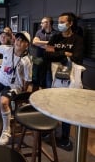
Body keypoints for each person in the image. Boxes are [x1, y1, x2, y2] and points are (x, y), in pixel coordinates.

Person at [44, 12, 84, 151]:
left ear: (70, 23)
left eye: (62, 22)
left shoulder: (77, 39)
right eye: (58, 21)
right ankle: (49, 129)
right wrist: (65, 54)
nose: (59, 24)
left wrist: (58, 54)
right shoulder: (55, 37)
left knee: (67, 106)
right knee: (51, 102)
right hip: (53, 75)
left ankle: (65, 138)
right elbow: (47, 54)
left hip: (70, 77)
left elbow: (77, 57)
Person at [32, 17, 58, 91]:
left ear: (48, 23)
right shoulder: (39, 32)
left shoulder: (56, 33)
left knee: (48, 80)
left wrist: (40, 44)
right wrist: (49, 43)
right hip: (38, 58)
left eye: (42, 22)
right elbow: (34, 42)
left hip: (50, 60)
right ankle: (33, 95)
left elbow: (55, 46)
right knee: (36, 78)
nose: (41, 24)